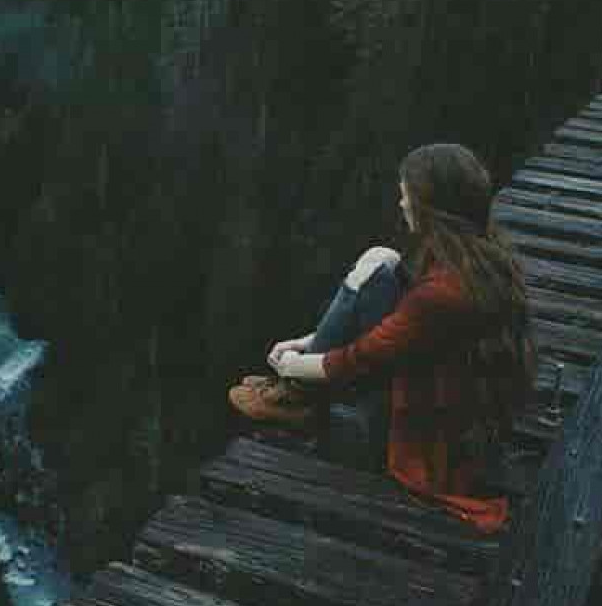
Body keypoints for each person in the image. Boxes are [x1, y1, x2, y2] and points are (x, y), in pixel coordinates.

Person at [228, 143, 538, 533]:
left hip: (432, 432)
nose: (401, 203)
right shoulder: (479, 255)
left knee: (374, 282)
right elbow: (404, 325)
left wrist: (294, 366)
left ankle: (297, 394)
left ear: (430, 208)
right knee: (381, 260)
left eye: (407, 195)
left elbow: (362, 357)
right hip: (449, 393)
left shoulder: (445, 292)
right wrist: (308, 342)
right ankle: (298, 393)